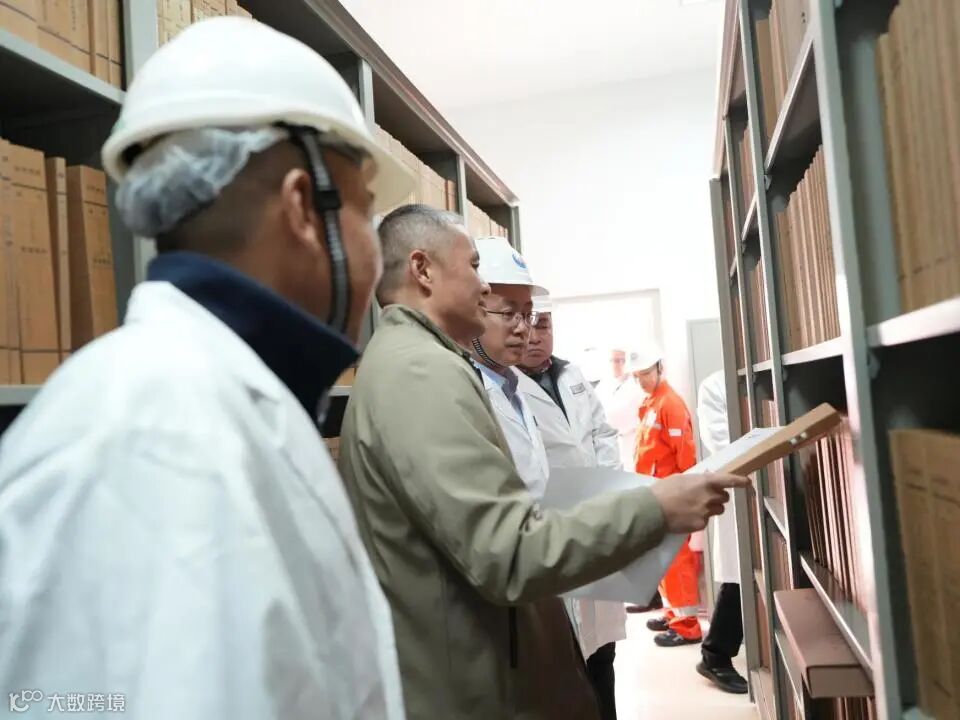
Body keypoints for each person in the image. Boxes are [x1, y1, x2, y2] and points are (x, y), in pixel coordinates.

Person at [0, 18, 413, 719]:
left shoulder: (208, 403)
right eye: (365, 214)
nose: (377, 257)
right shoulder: (165, 437)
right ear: (302, 208)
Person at [336, 205, 749, 719]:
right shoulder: (421, 373)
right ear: (423, 270)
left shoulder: (421, 362)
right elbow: (507, 552)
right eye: (473, 267)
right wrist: (656, 509)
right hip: (471, 687)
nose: (482, 286)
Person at [518, 296, 625, 720]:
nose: (534, 336)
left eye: (543, 325)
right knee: (568, 658)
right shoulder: (504, 387)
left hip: (597, 519)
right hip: (556, 529)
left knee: (604, 653)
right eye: (527, 325)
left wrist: (609, 486)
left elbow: (603, 433)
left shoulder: (572, 374)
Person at [630, 347, 703, 647]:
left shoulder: (670, 404)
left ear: (660, 368)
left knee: (676, 559)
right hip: (655, 494)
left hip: (671, 494)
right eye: (637, 376)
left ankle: (687, 626)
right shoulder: (650, 403)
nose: (641, 381)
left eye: (646, 374)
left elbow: (685, 454)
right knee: (662, 558)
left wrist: (686, 495)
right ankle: (672, 614)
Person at [696, 370, 748, 694]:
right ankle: (715, 655)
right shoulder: (715, 386)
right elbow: (724, 445)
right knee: (740, 578)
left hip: (778, 486)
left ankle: (717, 653)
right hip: (743, 488)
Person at [595, 347, 645, 470]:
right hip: (608, 442)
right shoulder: (603, 385)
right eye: (616, 361)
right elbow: (597, 412)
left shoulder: (636, 385)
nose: (620, 364)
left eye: (623, 360)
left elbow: (624, 415)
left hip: (629, 440)